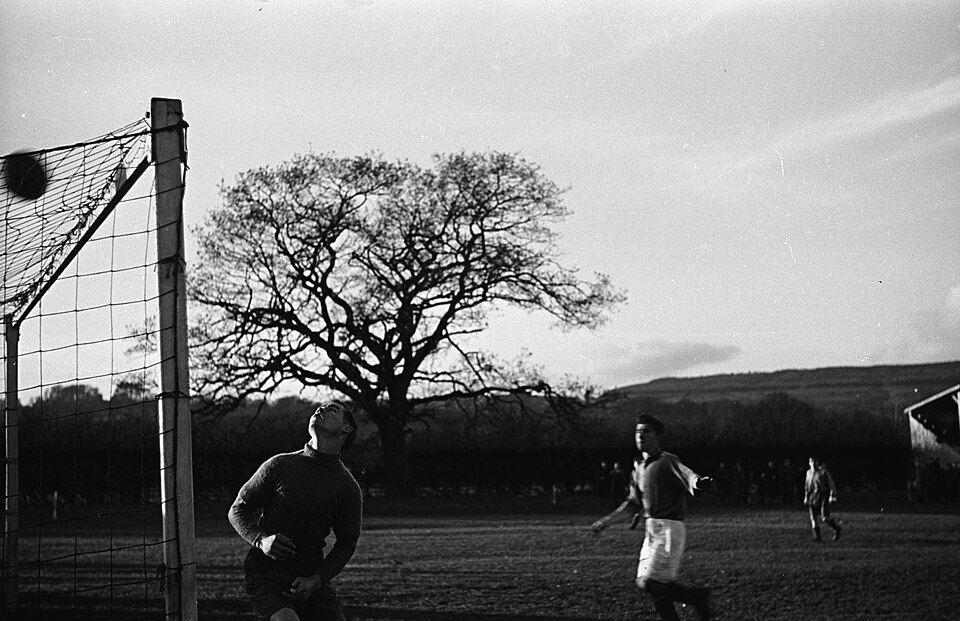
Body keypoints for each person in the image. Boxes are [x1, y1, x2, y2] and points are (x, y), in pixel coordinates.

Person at [229, 399, 363, 621]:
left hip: (309, 579)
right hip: (266, 574)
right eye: (319, 408)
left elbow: (347, 542)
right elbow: (238, 509)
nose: (320, 409)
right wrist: (261, 541)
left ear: (346, 428)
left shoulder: (347, 487)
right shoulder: (279, 465)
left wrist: (316, 580)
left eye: (332, 409)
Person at [590, 414, 712, 621]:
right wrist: (606, 522)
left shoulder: (667, 461)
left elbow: (688, 475)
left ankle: (697, 598)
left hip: (669, 529)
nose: (641, 435)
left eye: (646, 431)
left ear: (658, 436)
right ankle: (690, 603)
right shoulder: (638, 468)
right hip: (652, 530)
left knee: (649, 582)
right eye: (638, 431)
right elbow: (632, 503)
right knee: (651, 587)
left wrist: (698, 483)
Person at [803, 454, 842, 542]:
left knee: (824, 517)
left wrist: (832, 495)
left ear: (817, 463)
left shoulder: (824, 472)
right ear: (809, 463)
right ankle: (817, 536)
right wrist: (806, 497)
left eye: (814, 461)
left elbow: (831, 484)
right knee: (813, 516)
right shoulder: (808, 473)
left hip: (823, 495)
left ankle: (836, 528)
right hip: (813, 496)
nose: (813, 463)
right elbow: (807, 486)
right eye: (811, 461)